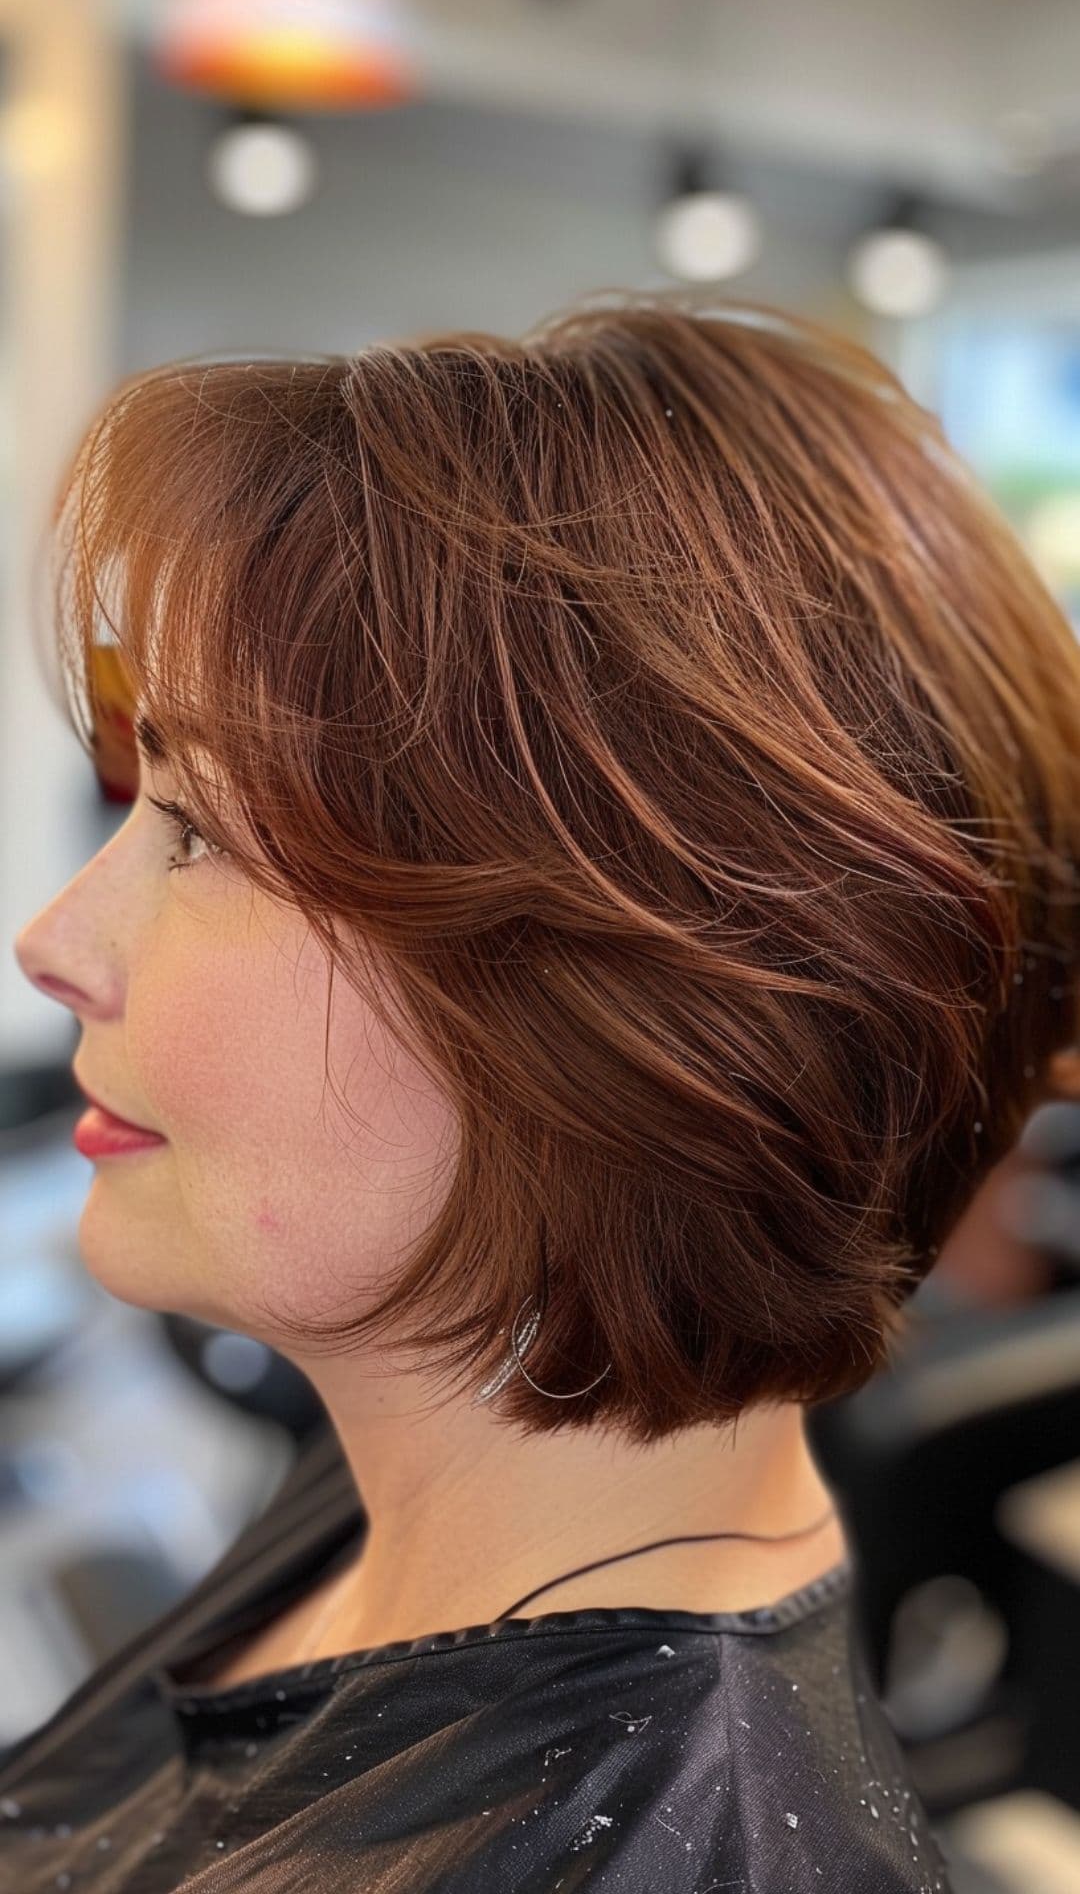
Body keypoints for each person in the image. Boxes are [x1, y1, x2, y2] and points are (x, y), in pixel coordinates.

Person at [7, 290, 1080, 1891]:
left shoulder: (657, 1848)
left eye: (204, 833)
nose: (55, 941)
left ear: (620, 1002)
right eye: (137, 798)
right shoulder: (431, 1463)